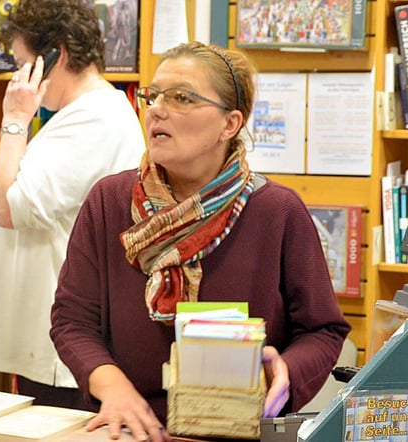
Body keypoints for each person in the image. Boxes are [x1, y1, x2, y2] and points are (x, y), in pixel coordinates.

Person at [50, 41, 351, 441]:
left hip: (240, 427)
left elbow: (323, 329)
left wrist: (285, 373)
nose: (156, 108)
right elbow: (72, 321)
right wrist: (113, 388)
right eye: (152, 95)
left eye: (182, 98)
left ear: (230, 124)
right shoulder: (109, 201)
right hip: (129, 428)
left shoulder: (277, 210)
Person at [0, 0, 146, 407]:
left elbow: (10, 208)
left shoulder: (94, 120)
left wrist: (15, 120)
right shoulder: (86, 115)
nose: (18, 77)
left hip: (62, 348)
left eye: (22, 63)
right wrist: (3, 286)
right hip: (52, 327)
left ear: (56, 55)